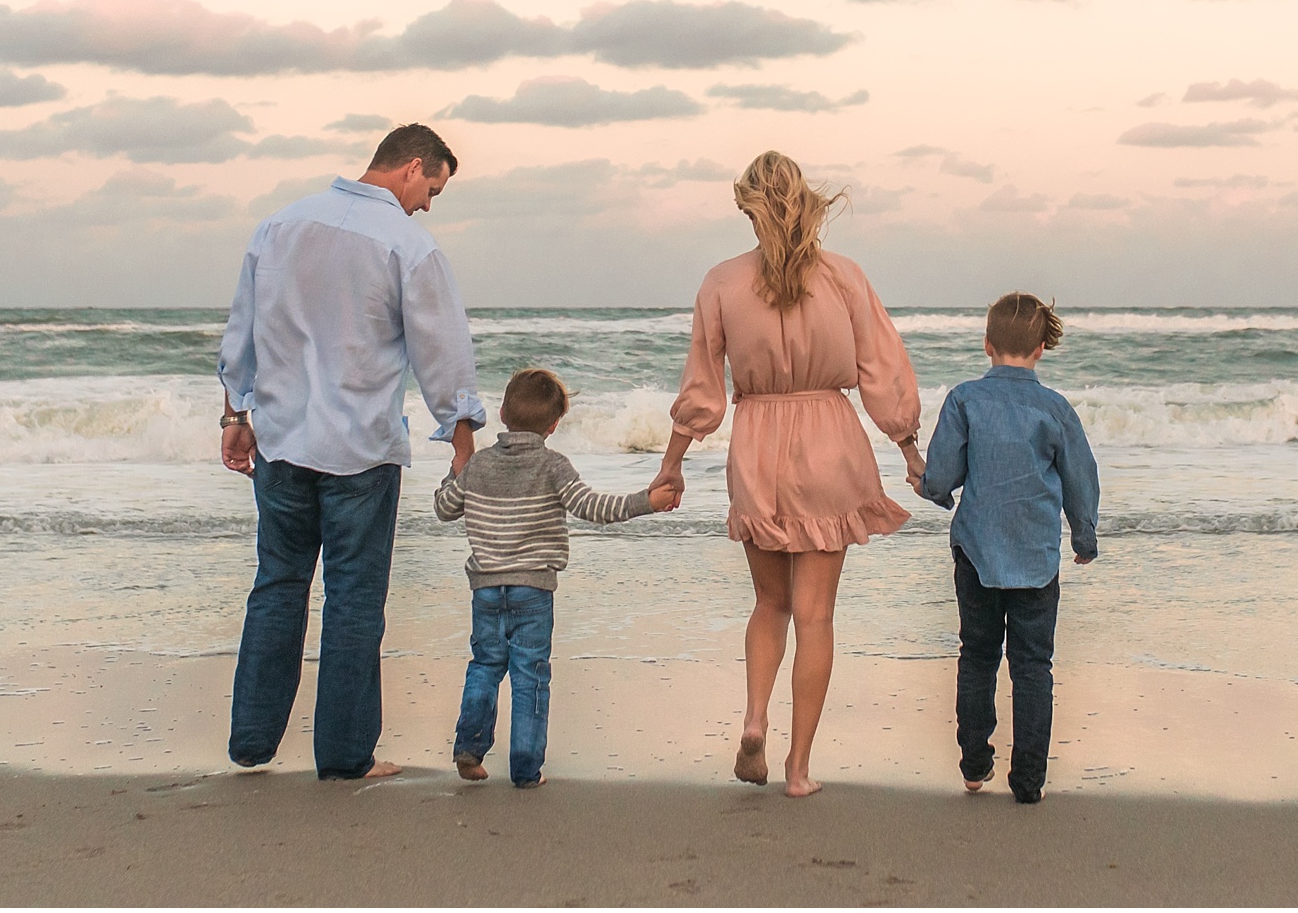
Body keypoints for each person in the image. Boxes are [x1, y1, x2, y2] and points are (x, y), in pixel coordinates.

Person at [217, 123, 486, 781]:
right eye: (432, 187)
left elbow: (242, 327)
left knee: (277, 588)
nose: (427, 202)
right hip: (359, 449)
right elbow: (442, 352)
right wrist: (463, 441)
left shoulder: (279, 226)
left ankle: (252, 743)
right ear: (410, 165)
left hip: (281, 438)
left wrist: (234, 412)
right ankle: (343, 757)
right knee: (354, 602)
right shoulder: (407, 245)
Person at [653, 151, 924, 798]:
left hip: (757, 442)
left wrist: (671, 465)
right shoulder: (845, 278)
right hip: (829, 439)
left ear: (749, 207)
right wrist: (908, 446)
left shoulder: (721, 282)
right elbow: (883, 371)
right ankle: (799, 771)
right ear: (805, 201)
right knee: (816, 616)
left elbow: (702, 390)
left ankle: (753, 721)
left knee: (769, 604)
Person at [433, 367, 676, 788]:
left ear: (503, 412)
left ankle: (469, 748)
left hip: (486, 589)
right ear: (554, 424)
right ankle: (525, 767)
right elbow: (593, 507)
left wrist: (457, 468)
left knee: (486, 665)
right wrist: (646, 502)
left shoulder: (478, 466)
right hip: (533, 590)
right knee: (530, 673)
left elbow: (444, 508)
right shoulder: (554, 465)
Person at [912, 292, 1100, 804]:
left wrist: (931, 486)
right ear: (1041, 349)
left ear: (986, 344)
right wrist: (1084, 536)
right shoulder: (1055, 408)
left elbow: (943, 475)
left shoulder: (965, 399)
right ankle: (1029, 782)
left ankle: (974, 767)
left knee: (976, 656)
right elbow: (1081, 478)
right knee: (1033, 665)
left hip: (976, 553)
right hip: (1036, 557)